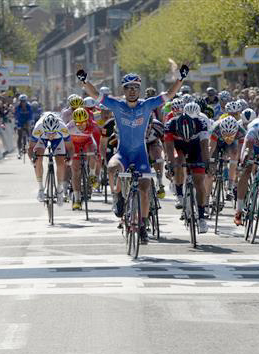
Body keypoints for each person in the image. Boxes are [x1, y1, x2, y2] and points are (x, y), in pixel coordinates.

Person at [77, 65, 187, 243]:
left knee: (144, 190)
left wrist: (180, 80)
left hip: (140, 155)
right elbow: (96, 94)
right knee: (112, 168)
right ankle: (118, 197)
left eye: (136, 88)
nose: (133, 91)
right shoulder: (117, 104)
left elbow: (168, 94)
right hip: (123, 153)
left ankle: (142, 226)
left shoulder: (147, 105)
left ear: (139, 90)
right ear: (124, 90)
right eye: (129, 88)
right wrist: (84, 81)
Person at [165, 112, 210, 233]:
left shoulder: (201, 123)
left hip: (196, 148)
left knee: (199, 181)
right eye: (183, 136)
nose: (186, 139)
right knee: (178, 162)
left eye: (189, 136)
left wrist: (207, 164)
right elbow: (169, 148)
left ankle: (201, 218)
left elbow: (205, 146)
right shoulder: (170, 125)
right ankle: (179, 194)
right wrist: (171, 165)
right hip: (178, 148)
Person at [28, 112, 70, 205]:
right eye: (49, 133)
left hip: (58, 140)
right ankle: (41, 188)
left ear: (57, 129)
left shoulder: (63, 128)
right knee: (38, 158)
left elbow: (70, 147)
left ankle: (59, 190)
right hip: (42, 138)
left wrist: (69, 158)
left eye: (53, 133)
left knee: (61, 162)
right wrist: (32, 159)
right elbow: (31, 147)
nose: (51, 136)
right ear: (44, 129)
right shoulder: (38, 128)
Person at [69, 107, 100, 210]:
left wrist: (96, 154)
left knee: (92, 153)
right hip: (75, 145)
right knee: (75, 172)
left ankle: (92, 175)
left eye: (83, 123)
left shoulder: (93, 126)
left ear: (87, 121)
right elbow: (66, 144)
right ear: (74, 122)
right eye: (78, 124)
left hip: (88, 142)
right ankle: (77, 199)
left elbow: (97, 142)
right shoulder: (69, 127)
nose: (81, 126)